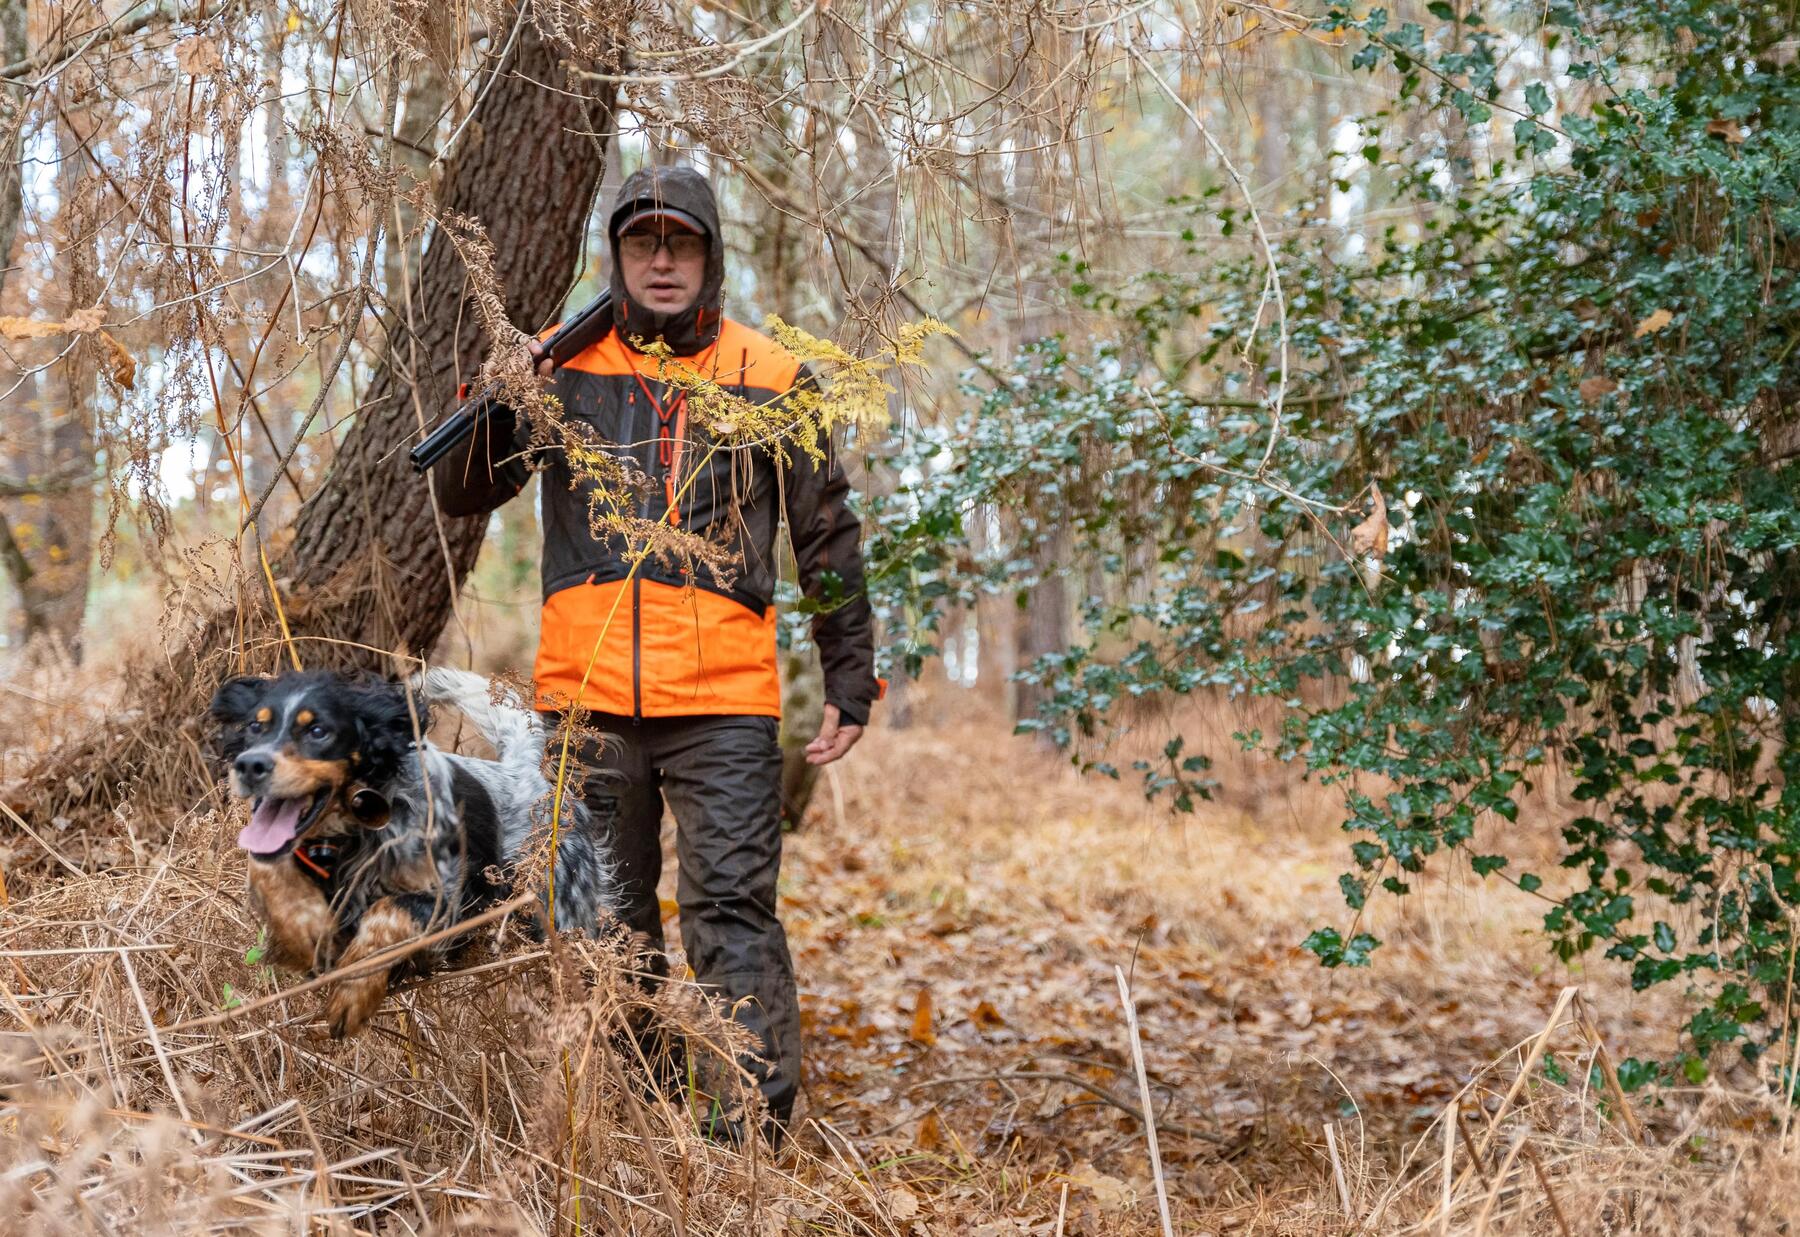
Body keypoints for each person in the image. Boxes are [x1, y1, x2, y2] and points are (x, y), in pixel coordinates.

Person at [432, 163, 880, 1137]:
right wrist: (505, 393)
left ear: (711, 256)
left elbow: (826, 534)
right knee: (607, 926)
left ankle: (748, 1137)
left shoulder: (770, 374)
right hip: (586, 701)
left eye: (683, 243)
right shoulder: (562, 363)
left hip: (723, 703)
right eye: (645, 243)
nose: (664, 261)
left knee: (730, 912)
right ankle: (650, 1121)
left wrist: (850, 676)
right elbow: (463, 489)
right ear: (619, 256)